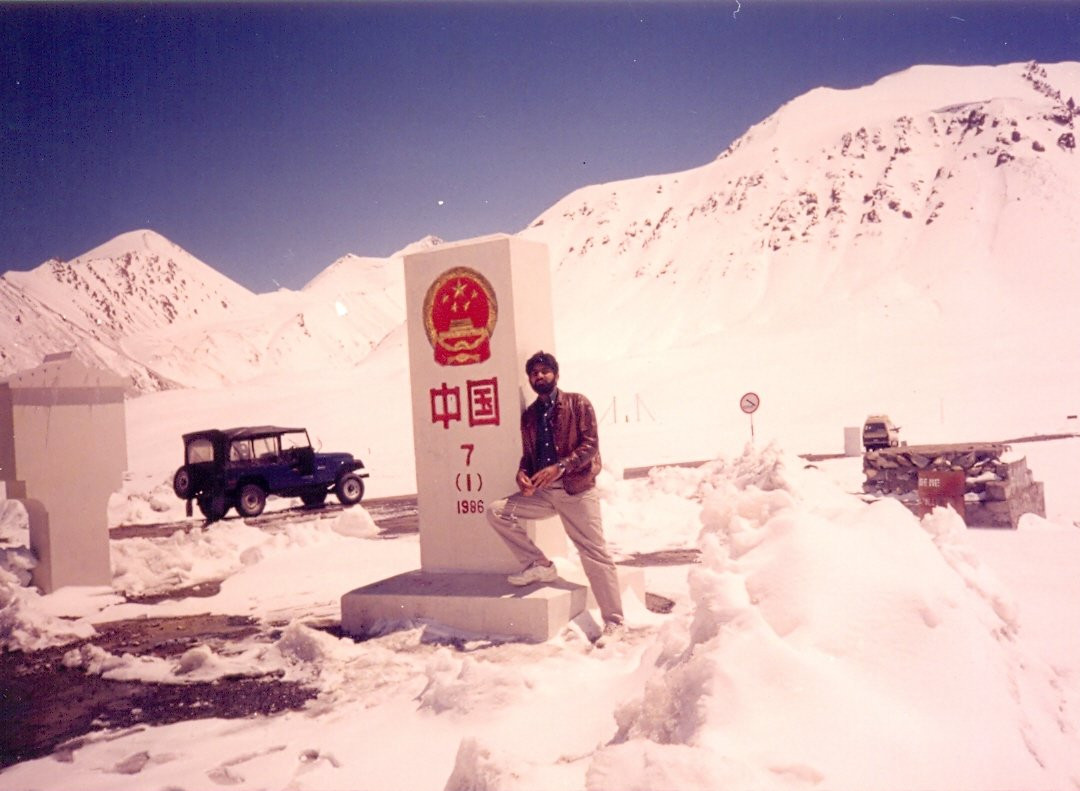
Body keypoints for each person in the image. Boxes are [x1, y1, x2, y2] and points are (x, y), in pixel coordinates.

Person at [485, 350, 625, 644]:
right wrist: (522, 473)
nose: (539, 377)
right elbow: (529, 456)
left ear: (556, 374)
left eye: (544, 371)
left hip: (576, 490)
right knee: (497, 511)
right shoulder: (530, 417)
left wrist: (561, 466)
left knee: (594, 554)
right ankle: (541, 565)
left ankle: (614, 622)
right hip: (544, 493)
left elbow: (590, 446)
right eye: (534, 373)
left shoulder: (578, 403)